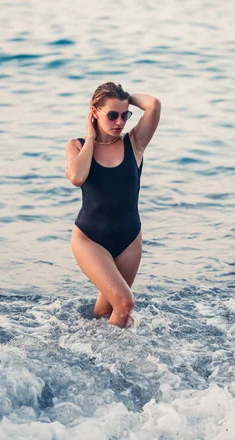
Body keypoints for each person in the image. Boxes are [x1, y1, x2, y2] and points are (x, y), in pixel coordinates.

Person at [65, 82, 161, 328]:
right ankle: (106, 358)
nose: (120, 122)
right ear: (94, 112)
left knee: (107, 309)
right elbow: (76, 177)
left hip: (129, 241)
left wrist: (126, 98)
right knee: (125, 303)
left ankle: (89, 347)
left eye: (124, 115)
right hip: (90, 239)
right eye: (112, 115)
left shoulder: (134, 143)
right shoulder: (76, 145)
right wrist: (90, 137)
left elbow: (153, 105)